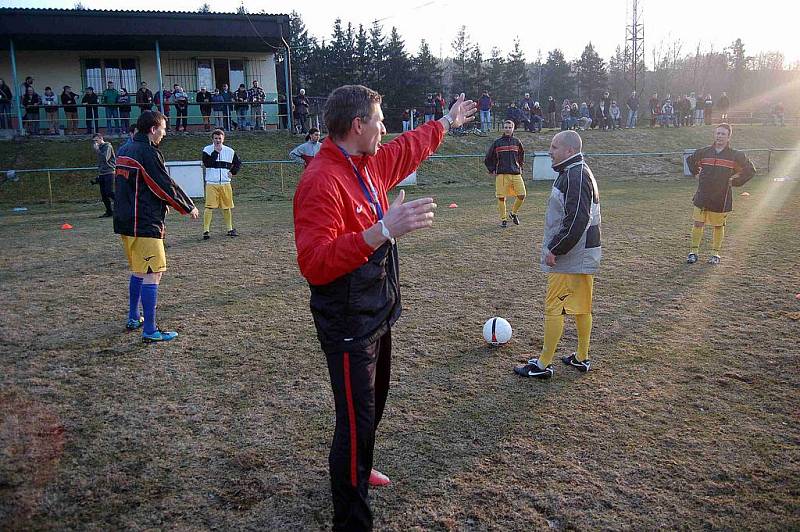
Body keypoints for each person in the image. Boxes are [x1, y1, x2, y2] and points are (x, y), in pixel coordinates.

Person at [293, 84, 476, 531]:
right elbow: (314, 263)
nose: (385, 127)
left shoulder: (368, 163)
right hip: (347, 319)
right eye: (378, 120)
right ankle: (352, 518)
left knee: (371, 408)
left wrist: (447, 122)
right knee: (354, 423)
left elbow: (408, 148)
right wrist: (381, 230)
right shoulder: (321, 180)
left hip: (377, 308)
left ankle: (359, 468)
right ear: (357, 126)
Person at [515, 130, 602, 379]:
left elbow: (577, 218)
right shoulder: (575, 171)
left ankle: (543, 365)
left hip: (572, 254)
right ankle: (581, 357)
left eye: (554, 147)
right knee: (582, 307)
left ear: (569, 151)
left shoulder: (575, 175)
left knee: (555, 307)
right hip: (584, 251)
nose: (550, 151)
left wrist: (557, 248)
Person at [113, 111, 199, 341]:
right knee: (154, 273)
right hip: (143, 223)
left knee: (140, 270)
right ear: (152, 129)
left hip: (125, 221)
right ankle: (150, 330)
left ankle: (134, 316)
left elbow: (135, 187)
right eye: (162, 129)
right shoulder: (147, 152)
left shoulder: (124, 149)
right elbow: (163, 184)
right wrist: (187, 206)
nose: (164, 133)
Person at [685, 123, 756, 265]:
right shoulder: (704, 152)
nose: (720, 136)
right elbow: (690, 160)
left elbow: (750, 170)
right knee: (698, 223)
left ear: (729, 136)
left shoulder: (735, 155)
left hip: (721, 197)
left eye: (723, 134)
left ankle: (715, 254)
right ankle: (693, 252)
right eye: (718, 133)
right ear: (714, 134)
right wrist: (695, 173)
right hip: (702, 195)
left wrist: (736, 182)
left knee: (718, 226)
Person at [484, 119, 526, 228]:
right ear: (503, 128)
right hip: (502, 174)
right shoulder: (497, 143)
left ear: (513, 129)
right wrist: (492, 169)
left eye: (510, 127)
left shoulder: (517, 142)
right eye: (506, 127)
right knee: (501, 197)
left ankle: (513, 213)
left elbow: (521, 156)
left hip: (516, 173)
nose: (508, 129)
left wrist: (520, 166)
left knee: (522, 195)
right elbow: (488, 158)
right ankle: (503, 219)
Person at [201, 129, 241, 239]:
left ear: (223, 139)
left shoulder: (230, 151)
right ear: (212, 139)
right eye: (215, 138)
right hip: (211, 183)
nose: (218, 140)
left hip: (225, 183)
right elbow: (207, 163)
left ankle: (230, 229)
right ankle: (206, 231)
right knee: (209, 207)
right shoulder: (207, 150)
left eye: (220, 138)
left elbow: (238, 163)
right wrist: (216, 152)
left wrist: (233, 172)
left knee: (226, 207)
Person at [91, 133, 116, 217]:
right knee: (104, 194)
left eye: (96, 140)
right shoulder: (100, 148)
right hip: (102, 173)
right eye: (94, 141)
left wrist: (97, 150)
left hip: (109, 172)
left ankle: (122, 203)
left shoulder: (107, 146)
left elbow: (105, 158)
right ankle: (109, 212)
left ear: (101, 139)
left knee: (109, 192)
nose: (95, 142)